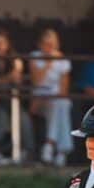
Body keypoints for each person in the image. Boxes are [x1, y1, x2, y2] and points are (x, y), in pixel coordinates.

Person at [0, 29, 34, 161]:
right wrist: (5, 80)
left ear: (8, 44)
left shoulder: (15, 58)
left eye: (2, 43)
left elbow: (16, 76)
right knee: (0, 118)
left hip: (12, 99)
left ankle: (27, 152)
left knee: (23, 118)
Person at [29, 28, 73, 166]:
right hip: (39, 99)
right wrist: (49, 62)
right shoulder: (35, 56)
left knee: (62, 103)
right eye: (46, 44)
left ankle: (50, 145)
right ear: (40, 45)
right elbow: (36, 81)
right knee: (61, 105)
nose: (49, 48)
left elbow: (64, 89)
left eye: (52, 45)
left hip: (56, 100)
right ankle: (61, 151)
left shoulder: (63, 61)